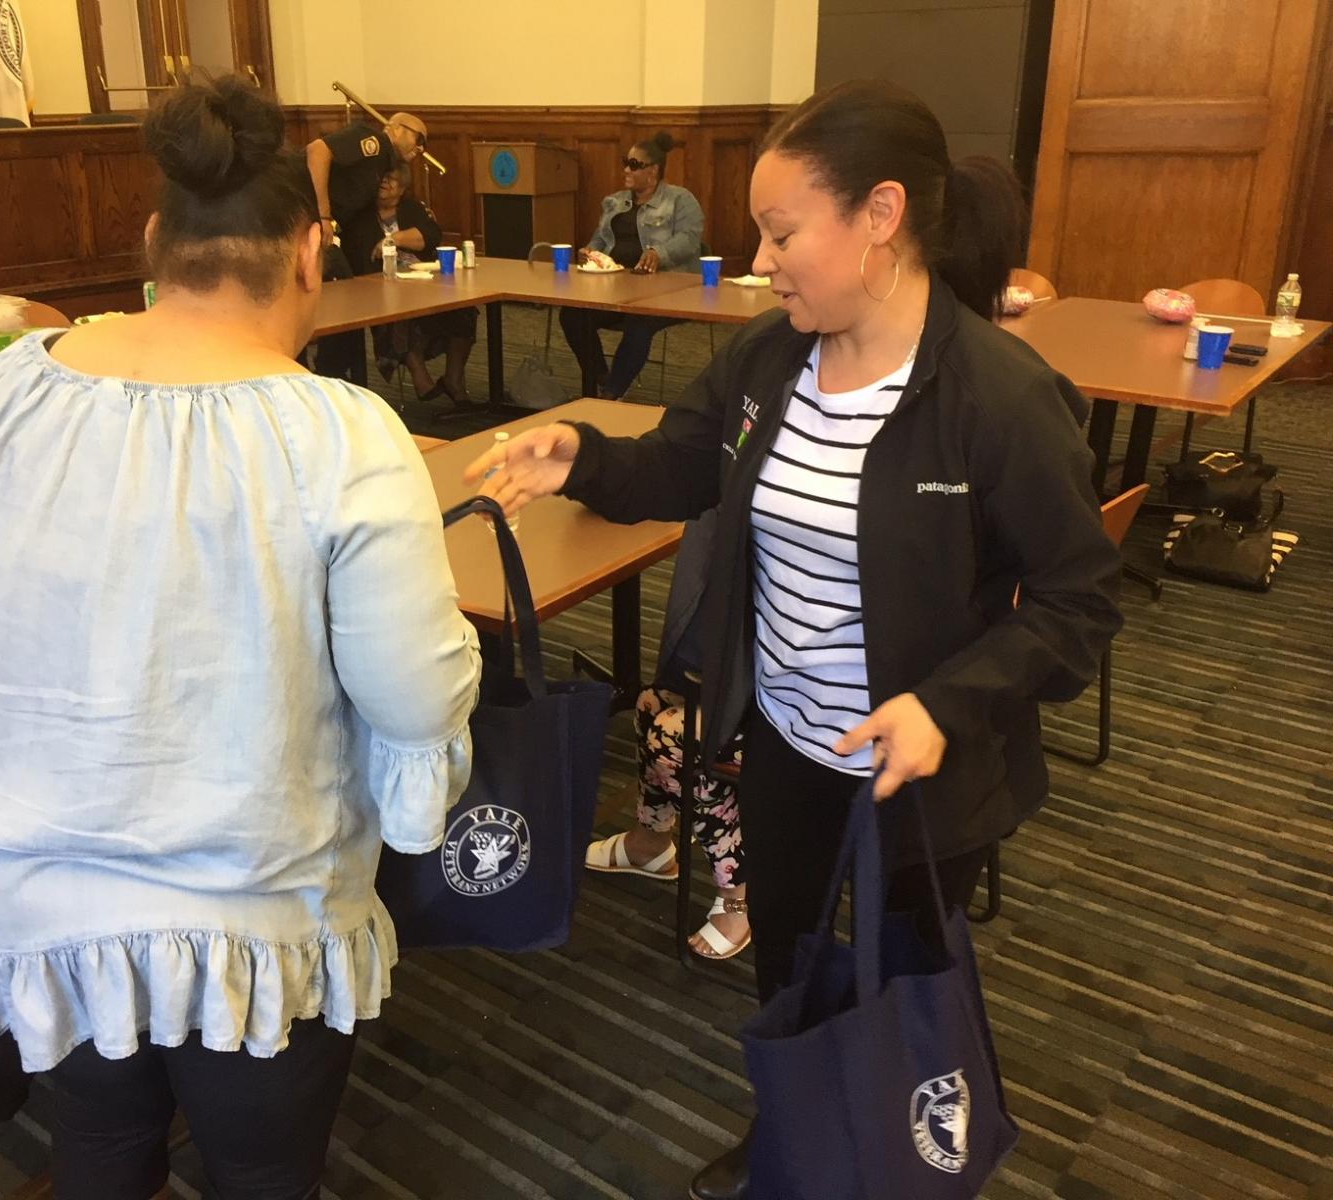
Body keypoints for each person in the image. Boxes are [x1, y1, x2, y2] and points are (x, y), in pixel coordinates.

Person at [469, 79, 1122, 1199]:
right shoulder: (774, 358)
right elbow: (683, 462)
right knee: (784, 959)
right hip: (783, 741)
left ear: (879, 215)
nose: (764, 260)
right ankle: (796, 1132)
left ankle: (883, 1154)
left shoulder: (998, 398)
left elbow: (1079, 601)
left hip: (918, 770)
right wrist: (581, 449)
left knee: (892, 976)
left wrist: (944, 705)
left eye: (781, 233)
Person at [0, 77, 481, 1200]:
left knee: (101, 1153)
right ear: (312, 254)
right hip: (252, 910)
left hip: (35, 908)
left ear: (156, 242)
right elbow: (411, 700)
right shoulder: (344, 433)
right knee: (262, 1172)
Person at [584, 512, 748, 959]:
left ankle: (738, 895)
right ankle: (650, 843)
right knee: (651, 705)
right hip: (748, 672)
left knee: (677, 738)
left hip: (818, 714)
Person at [560, 132, 704, 398]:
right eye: (626, 162)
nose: (626, 169)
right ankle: (602, 378)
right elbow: (601, 238)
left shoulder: (680, 200)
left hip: (667, 292)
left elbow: (690, 240)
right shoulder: (615, 201)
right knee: (572, 315)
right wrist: (591, 252)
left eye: (635, 165)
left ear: (653, 171)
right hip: (616, 288)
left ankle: (612, 394)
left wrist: (659, 253)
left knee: (640, 321)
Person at [304, 112, 429, 382]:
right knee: (342, 293)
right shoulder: (372, 140)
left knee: (348, 296)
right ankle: (329, 374)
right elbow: (317, 151)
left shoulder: (382, 164)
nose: (419, 150)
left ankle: (338, 375)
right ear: (395, 128)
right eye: (418, 139)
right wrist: (323, 216)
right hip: (306, 221)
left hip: (323, 231)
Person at [346, 163, 478, 405]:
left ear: (403, 187)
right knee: (397, 315)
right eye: (381, 178)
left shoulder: (413, 208)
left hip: (424, 284)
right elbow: (360, 255)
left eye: (392, 179)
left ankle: (454, 377)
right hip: (379, 288)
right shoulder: (361, 216)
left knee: (464, 309)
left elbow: (429, 236)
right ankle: (420, 377)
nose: (385, 183)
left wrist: (393, 239)